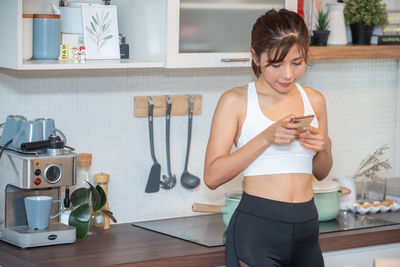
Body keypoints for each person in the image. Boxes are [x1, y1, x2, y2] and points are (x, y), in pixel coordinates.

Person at [204, 9, 333, 267]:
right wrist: (266, 137)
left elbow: (320, 172)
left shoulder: (315, 100)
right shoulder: (236, 101)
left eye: (297, 63)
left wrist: (325, 149)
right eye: (276, 64)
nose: (287, 74)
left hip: (308, 230)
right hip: (257, 233)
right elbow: (212, 176)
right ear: (255, 56)